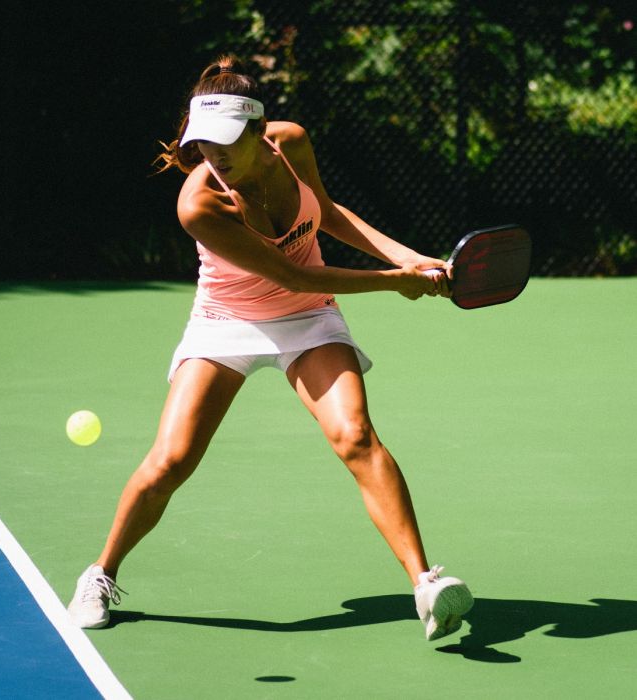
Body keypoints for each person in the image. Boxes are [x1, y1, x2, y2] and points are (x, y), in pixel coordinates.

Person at [67, 54, 473, 641]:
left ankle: (426, 585)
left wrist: (404, 257)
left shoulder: (293, 144)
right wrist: (395, 283)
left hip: (306, 319)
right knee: (171, 460)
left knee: (356, 437)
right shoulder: (198, 204)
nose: (217, 156)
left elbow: (328, 215)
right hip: (226, 317)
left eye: (229, 142)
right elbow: (295, 275)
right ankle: (100, 573)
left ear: (261, 131)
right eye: (204, 144)